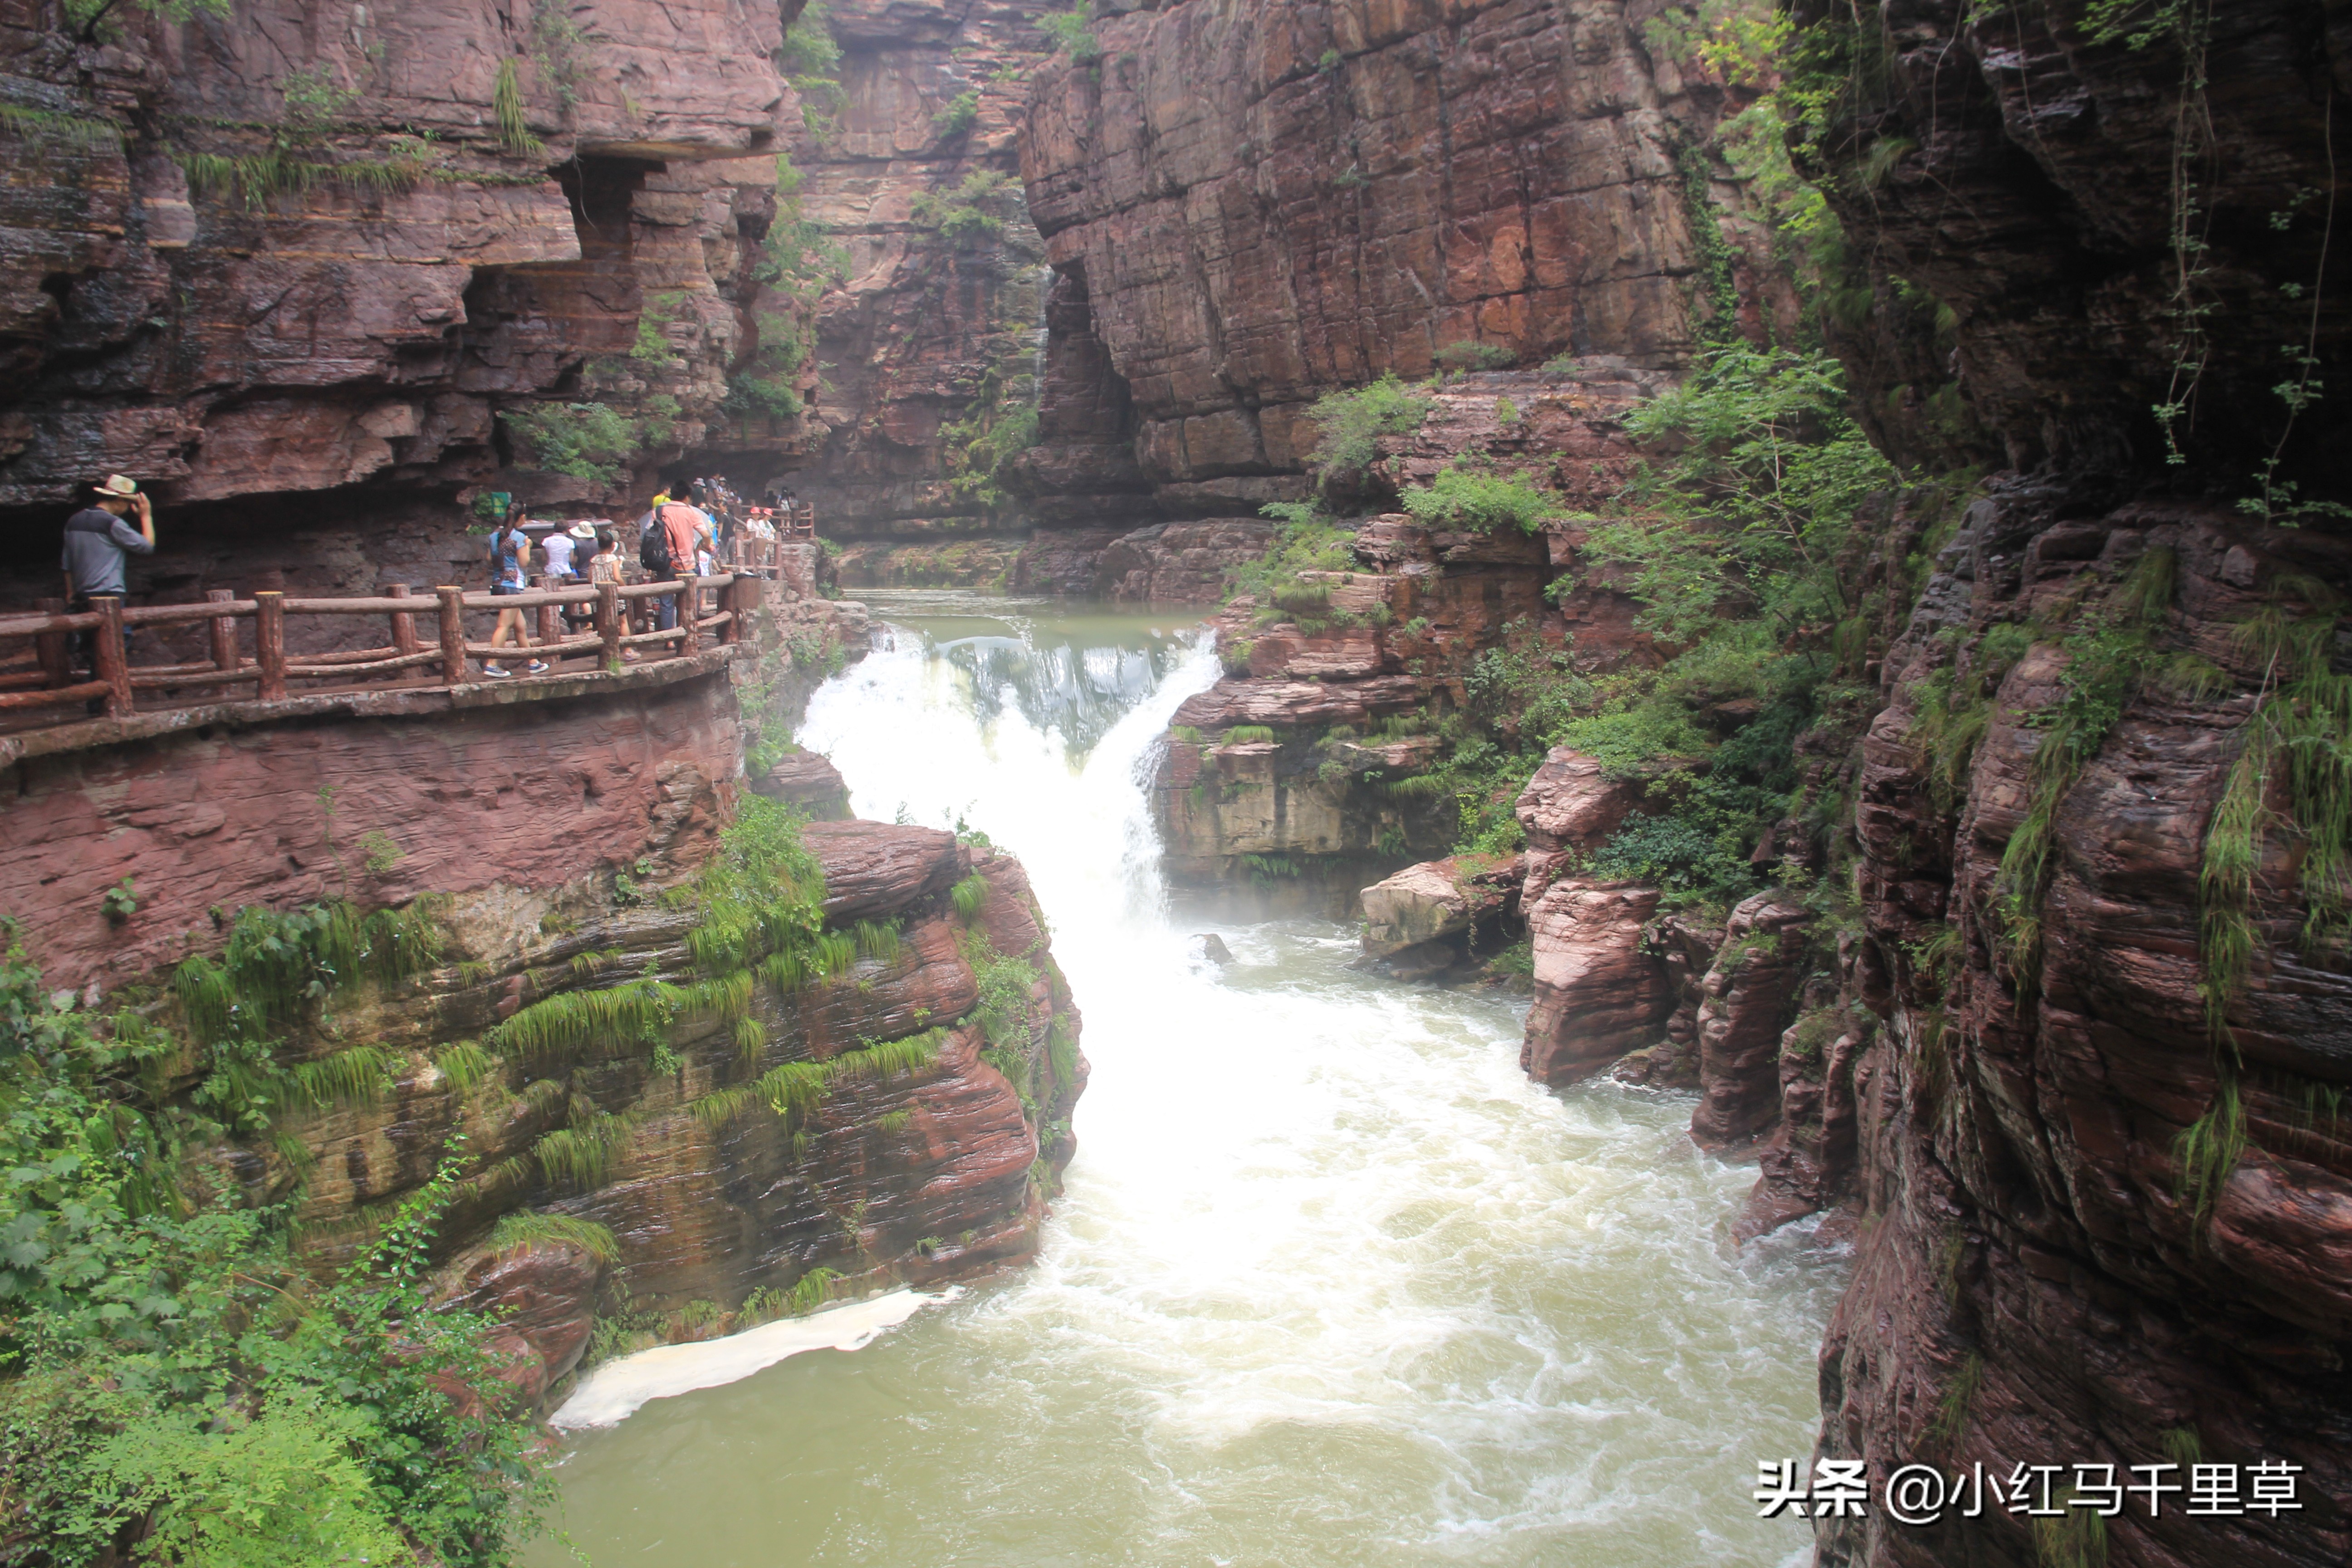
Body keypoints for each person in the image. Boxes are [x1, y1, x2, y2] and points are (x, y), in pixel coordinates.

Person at [62, 474, 157, 674]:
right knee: (114, 648)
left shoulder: (74, 520)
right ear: (120, 500)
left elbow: (67, 563)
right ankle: (109, 693)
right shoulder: (112, 523)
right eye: (127, 503)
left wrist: (71, 592)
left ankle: (96, 692)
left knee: (93, 651)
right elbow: (147, 546)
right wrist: (146, 516)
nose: (127, 509)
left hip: (82, 596)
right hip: (109, 595)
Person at [484, 507, 547, 677]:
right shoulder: (519, 537)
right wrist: (528, 546)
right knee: (504, 625)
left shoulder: (494, 536)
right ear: (522, 517)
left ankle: (533, 662)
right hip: (511, 585)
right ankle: (492, 664)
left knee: (520, 626)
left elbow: (490, 558)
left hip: (497, 584)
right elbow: (524, 562)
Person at [587, 527, 637, 662]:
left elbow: (590, 577)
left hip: (600, 597)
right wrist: (624, 587)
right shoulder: (613, 559)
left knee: (603, 623)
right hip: (614, 596)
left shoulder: (594, 560)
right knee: (623, 621)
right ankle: (628, 650)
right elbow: (617, 577)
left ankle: (606, 653)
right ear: (612, 545)